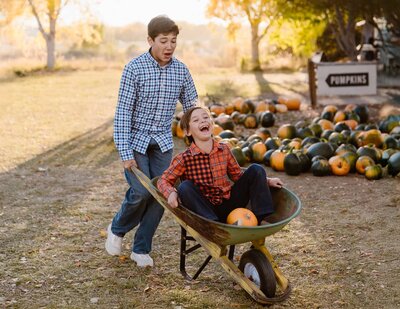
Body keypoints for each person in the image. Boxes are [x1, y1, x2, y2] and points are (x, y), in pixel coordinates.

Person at [105, 15, 198, 267]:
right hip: (136, 141)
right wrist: (125, 152)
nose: (169, 46)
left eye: (173, 41)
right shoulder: (134, 69)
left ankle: (141, 248)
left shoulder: (181, 70)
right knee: (140, 192)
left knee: (161, 194)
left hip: (162, 143)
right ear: (150, 40)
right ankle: (117, 228)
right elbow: (123, 112)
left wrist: (199, 131)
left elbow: (191, 105)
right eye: (163, 41)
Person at [157, 106, 283, 224]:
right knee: (184, 187)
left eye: (206, 117)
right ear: (188, 131)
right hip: (205, 209)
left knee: (257, 169)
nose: (203, 121)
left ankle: (260, 219)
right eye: (196, 120)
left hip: (229, 203)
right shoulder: (183, 158)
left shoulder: (224, 149)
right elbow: (163, 180)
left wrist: (266, 180)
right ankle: (214, 225)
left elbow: (238, 175)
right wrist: (171, 193)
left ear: (212, 124)